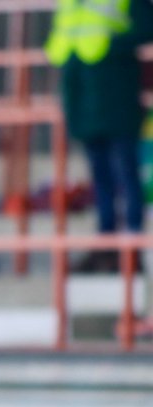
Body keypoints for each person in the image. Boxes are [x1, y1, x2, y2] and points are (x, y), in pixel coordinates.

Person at [45, 0, 153, 273]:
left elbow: (145, 28)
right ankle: (105, 246)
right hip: (84, 98)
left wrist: (110, 46)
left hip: (117, 95)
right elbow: (63, 42)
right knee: (100, 178)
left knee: (127, 174)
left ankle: (131, 249)